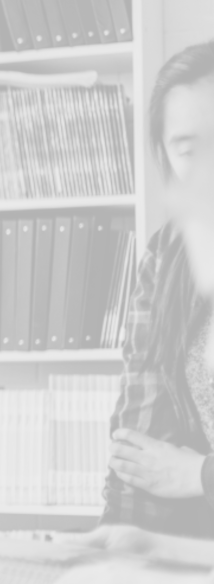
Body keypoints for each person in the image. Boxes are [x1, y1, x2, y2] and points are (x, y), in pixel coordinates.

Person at [100, 40, 214, 538]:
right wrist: (116, 552)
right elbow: (139, 447)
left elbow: (179, 473)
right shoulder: (168, 256)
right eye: (189, 150)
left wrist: (199, 476)